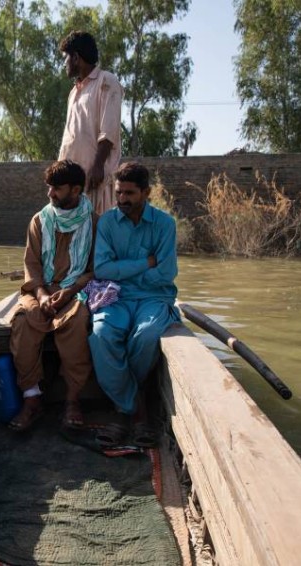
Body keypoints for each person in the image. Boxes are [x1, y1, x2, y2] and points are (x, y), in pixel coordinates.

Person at [8, 160, 98, 431]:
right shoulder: (39, 220)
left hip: (76, 290)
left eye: (57, 189)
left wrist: (69, 291)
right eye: (49, 188)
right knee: (24, 320)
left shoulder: (95, 222)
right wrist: (42, 294)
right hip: (40, 289)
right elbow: (32, 265)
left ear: (76, 189)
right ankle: (32, 399)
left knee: (77, 320)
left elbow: (94, 269)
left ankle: (72, 400)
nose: (50, 194)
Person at [88, 162, 180, 419]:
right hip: (115, 295)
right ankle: (132, 403)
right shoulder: (107, 223)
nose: (121, 199)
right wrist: (144, 263)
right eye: (118, 192)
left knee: (147, 335)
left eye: (129, 193)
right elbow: (103, 270)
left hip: (154, 296)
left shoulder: (164, 224)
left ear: (146, 192)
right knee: (101, 334)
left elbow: (166, 273)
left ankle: (124, 402)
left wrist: (124, 271)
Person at [58, 30, 123, 215]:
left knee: (96, 236)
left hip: (95, 180)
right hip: (70, 183)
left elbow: (108, 128)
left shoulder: (107, 81)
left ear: (76, 57)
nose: (64, 64)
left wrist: (98, 166)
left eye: (66, 58)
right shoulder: (73, 93)